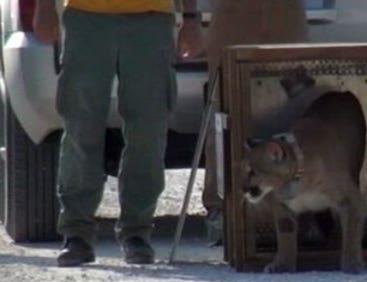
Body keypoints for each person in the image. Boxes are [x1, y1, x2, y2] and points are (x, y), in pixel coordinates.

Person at [33, 0, 202, 266]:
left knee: (148, 131)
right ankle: (77, 233)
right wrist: (43, 8)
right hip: (86, 16)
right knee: (80, 129)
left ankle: (137, 232)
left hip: (151, 20)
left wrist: (191, 18)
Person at [179, 0, 309, 246]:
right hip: (234, 14)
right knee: (225, 109)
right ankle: (222, 209)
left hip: (286, 14)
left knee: (295, 105)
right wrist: (190, 18)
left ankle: (298, 207)